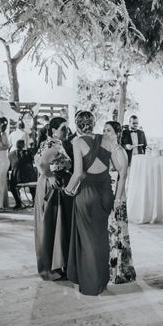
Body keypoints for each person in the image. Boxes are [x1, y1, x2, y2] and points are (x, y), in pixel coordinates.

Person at [65, 111, 124, 296]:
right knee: (100, 237)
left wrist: (67, 191)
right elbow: (119, 169)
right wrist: (118, 197)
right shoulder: (106, 140)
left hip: (88, 194)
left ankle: (91, 283)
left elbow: (78, 173)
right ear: (93, 123)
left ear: (77, 125)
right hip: (106, 193)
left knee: (88, 240)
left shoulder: (77, 142)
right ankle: (102, 280)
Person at [34, 116, 73, 281]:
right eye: (63, 128)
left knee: (53, 225)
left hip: (49, 185)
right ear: (53, 131)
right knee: (52, 225)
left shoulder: (49, 142)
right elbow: (42, 163)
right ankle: (52, 267)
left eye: (67, 128)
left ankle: (53, 265)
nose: (67, 131)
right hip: (52, 187)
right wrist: (50, 176)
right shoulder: (54, 145)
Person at [103, 121, 137, 284]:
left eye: (109, 130)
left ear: (117, 133)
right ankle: (110, 270)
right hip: (107, 195)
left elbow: (123, 176)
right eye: (104, 130)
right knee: (110, 234)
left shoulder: (119, 151)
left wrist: (117, 198)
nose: (105, 133)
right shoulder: (106, 150)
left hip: (117, 197)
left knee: (119, 233)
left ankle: (121, 272)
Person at [8, 139, 35, 210]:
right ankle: (34, 201)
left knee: (12, 187)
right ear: (23, 146)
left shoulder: (11, 154)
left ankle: (18, 202)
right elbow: (32, 162)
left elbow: (10, 167)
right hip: (28, 178)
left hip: (16, 179)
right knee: (33, 185)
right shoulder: (28, 153)